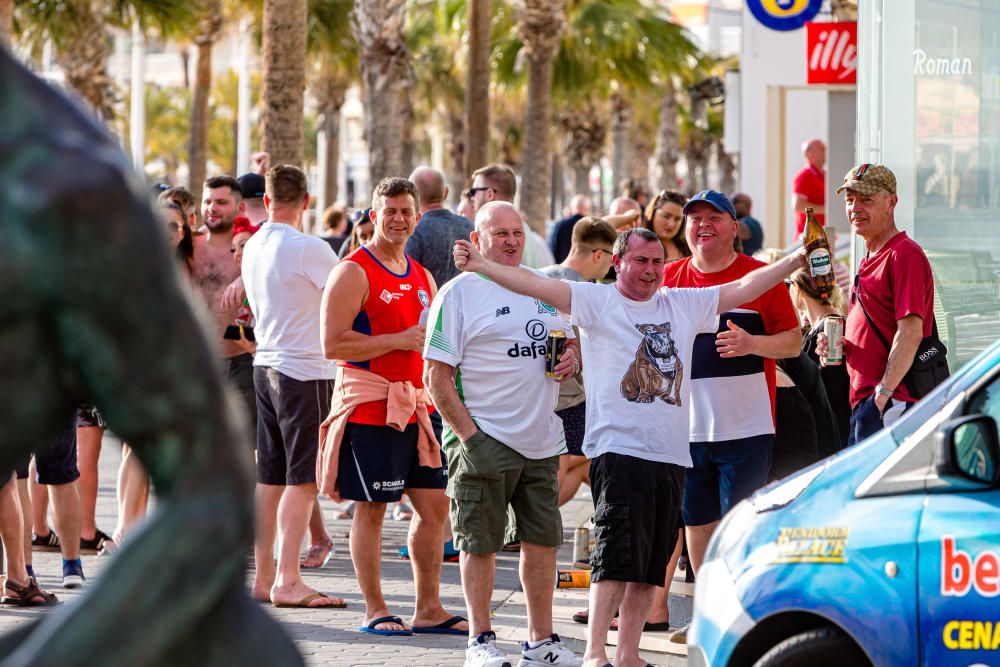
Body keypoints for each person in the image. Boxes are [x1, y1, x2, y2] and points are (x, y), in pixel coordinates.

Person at [451, 224, 806, 667]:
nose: (651, 271)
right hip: (619, 452)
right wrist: (483, 265)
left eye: (657, 262)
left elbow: (741, 287)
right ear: (618, 263)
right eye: (641, 261)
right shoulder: (598, 301)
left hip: (672, 453)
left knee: (651, 565)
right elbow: (537, 283)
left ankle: (628, 655)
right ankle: (595, 654)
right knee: (615, 559)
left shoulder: (682, 303)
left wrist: (794, 260)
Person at [425, 201, 581, 667]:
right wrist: (470, 439)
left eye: (517, 232)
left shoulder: (541, 288)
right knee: (479, 542)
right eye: (499, 233)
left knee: (543, 543)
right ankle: (480, 641)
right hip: (484, 440)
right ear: (477, 240)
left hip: (542, 441)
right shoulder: (459, 293)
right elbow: (434, 375)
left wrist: (572, 358)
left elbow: (567, 346)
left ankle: (541, 642)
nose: (511, 241)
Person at [319, 177, 466, 636]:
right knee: (373, 508)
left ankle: (428, 609)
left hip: (418, 406)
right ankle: (376, 609)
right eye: (390, 212)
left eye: (406, 211)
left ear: (418, 217)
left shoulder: (422, 276)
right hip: (370, 408)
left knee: (435, 509)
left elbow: (432, 342)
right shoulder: (353, 270)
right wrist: (397, 340)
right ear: (373, 216)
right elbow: (331, 343)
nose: (398, 219)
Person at [661, 190, 801, 644]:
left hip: (747, 427)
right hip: (684, 428)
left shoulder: (759, 279)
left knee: (741, 523)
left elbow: (795, 341)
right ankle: (708, 614)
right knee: (696, 523)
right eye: (694, 218)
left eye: (714, 218)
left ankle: (744, 619)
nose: (703, 225)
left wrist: (753, 345)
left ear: (734, 228)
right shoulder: (668, 278)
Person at [241, 165, 344, 609]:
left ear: (266, 201)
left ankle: (265, 579)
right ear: (307, 201)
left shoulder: (254, 246)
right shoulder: (309, 247)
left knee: (270, 479)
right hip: (304, 372)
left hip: (265, 366)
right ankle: (287, 580)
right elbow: (350, 297)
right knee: (302, 481)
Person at [816, 164, 936, 445]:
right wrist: (842, 346)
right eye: (849, 200)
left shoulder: (903, 254)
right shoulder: (871, 255)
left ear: (891, 202)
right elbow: (877, 329)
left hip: (892, 404)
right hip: (872, 403)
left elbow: (910, 332)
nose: (855, 207)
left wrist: (881, 397)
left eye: (866, 199)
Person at [541, 217, 617, 507]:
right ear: (599, 254)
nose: (611, 267)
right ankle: (529, 535)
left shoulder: (538, 276)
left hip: (538, 392)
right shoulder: (584, 292)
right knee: (558, 472)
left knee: (582, 464)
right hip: (567, 397)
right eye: (611, 259)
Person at [788, 269, 851, 451]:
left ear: (797, 289)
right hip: (828, 427)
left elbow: (832, 387)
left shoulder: (832, 326)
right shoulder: (820, 325)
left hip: (834, 432)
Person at [469, 163, 554, 268]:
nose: (472, 197)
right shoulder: (535, 239)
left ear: (489, 194)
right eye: (502, 233)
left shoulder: (483, 235)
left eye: (474, 191)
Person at [406, 165, 474, 287]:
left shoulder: (413, 231)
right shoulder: (471, 227)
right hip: (468, 304)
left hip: (430, 305)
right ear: (446, 192)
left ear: (413, 197)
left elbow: (408, 277)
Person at [792, 139, 826, 240]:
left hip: (820, 235)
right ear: (810, 154)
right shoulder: (804, 175)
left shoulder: (823, 175)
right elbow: (798, 206)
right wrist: (827, 210)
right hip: (808, 237)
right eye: (822, 149)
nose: (826, 152)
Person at [642, 190, 690, 262]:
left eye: (677, 219)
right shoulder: (637, 244)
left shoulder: (689, 247)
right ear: (653, 213)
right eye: (666, 216)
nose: (671, 224)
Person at [548, 194, 593, 264]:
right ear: (587, 208)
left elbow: (552, 249)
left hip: (563, 269)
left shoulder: (561, 225)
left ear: (572, 208)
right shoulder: (593, 227)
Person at [731, 193, 763, 257]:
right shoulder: (752, 222)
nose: (731, 205)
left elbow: (738, 230)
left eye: (734, 201)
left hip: (750, 265)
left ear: (746, 205)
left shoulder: (750, 222)